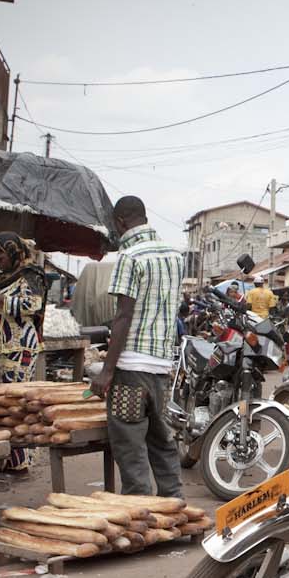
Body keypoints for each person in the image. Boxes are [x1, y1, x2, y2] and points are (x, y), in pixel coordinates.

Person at [88, 196, 185, 498]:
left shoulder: (130, 256)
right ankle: (174, 506)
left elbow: (123, 315)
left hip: (130, 369)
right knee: (162, 442)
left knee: (130, 446)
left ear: (120, 223)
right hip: (161, 368)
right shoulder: (175, 256)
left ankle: (139, 512)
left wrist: (106, 371)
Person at [0, 233, 47, 473]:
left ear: (14, 252)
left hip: (21, 345)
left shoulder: (31, 275)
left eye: (1, 257)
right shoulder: (0, 278)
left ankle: (19, 461)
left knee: (16, 401)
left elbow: (33, 305)